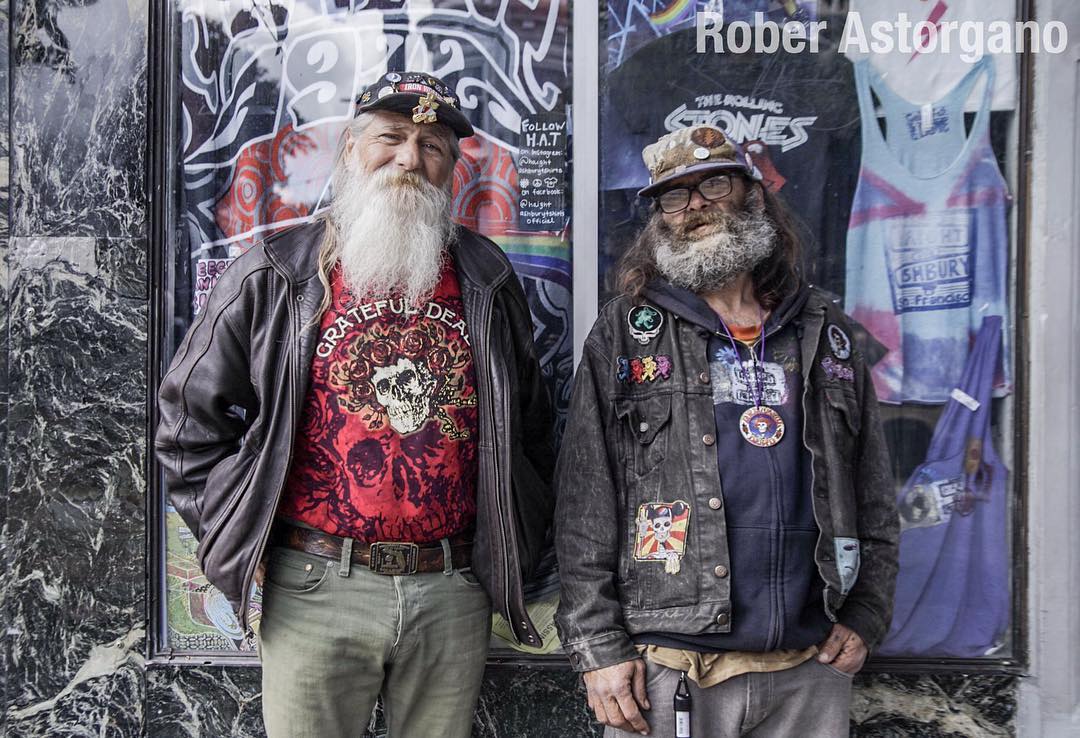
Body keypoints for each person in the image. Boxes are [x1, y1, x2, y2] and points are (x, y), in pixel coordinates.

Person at [155, 71, 555, 738]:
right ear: (350, 149)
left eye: (432, 147)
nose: (409, 158)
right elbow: (186, 424)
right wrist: (239, 530)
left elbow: (535, 433)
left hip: (450, 588)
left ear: (452, 171)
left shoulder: (487, 277)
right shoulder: (277, 270)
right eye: (390, 138)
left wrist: (507, 544)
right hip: (313, 585)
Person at [554, 124, 898, 737]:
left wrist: (867, 610)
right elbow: (585, 498)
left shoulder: (825, 330)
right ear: (659, 217)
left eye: (714, 183)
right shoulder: (626, 334)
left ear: (753, 194)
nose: (696, 206)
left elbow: (871, 490)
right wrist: (598, 645)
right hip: (669, 665)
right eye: (675, 196)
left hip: (809, 664)